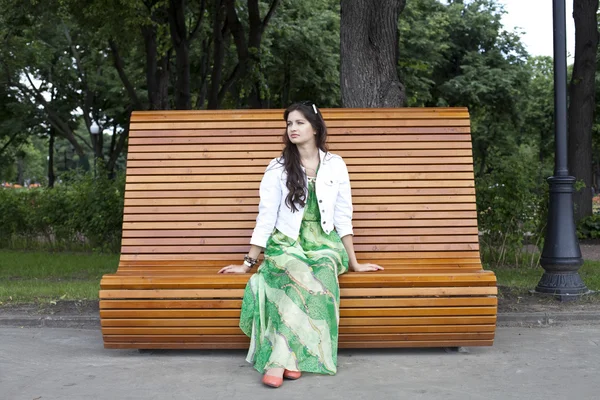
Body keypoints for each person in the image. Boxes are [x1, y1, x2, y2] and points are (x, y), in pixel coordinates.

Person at [218, 101, 383, 388]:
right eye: (289, 123)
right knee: (300, 276)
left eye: (299, 123)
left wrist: (354, 262)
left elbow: (344, 216)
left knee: (323, 277)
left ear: (316, 127)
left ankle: (281, 360)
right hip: (287, 242)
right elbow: (266, 216)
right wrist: (248, 263)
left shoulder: (336, 165)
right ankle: (288, 359)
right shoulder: (278, 167)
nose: (292, 128)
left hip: (325, 243)